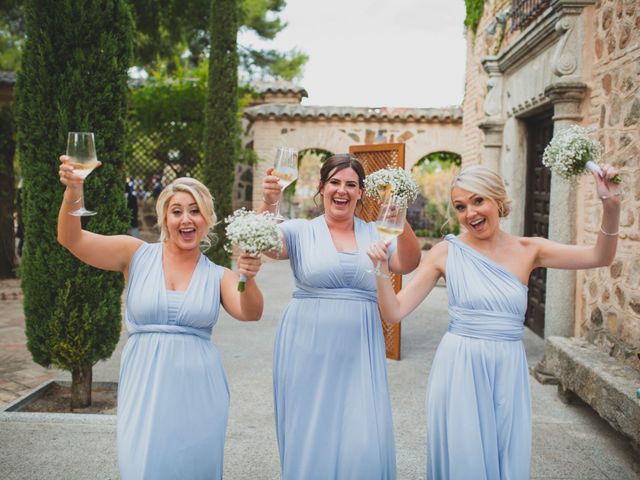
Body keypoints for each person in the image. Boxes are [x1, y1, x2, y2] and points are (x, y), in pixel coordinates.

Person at [367, 164, 621, 479]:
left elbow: (600, 256)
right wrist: (380, 270)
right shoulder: (446, 252)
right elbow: (394, 312)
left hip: (507, 369)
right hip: (459, 367)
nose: (470, 213)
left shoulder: (531, 250)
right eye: (460, 206)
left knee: (505, 457)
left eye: (478, 201)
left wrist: (611, 206)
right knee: (465, 463)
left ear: (497, 201)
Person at [57, 156, 264, 480]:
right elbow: (72, 239)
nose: (187, 219)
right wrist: (74, 191)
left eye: (195, 210)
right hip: (145, 388)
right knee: (141, 468)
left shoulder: (219, 275)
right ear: (164, 218)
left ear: (207, 220)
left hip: (200, 392)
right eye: (177, 210)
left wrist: (247, 277)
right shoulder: (134, 254)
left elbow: (251, 312)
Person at [259, 153, 422, 479]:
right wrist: (269, 201)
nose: (342, 190)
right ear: (321, 188)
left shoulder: (377, 234)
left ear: (361, 192)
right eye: (334, 182)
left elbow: (409, 262)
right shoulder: (300, 230)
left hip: (359, 349)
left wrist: (399, 212)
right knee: (311, 427)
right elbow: (265, 244)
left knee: (362, 434)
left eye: (351, 184)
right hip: (306, 346)